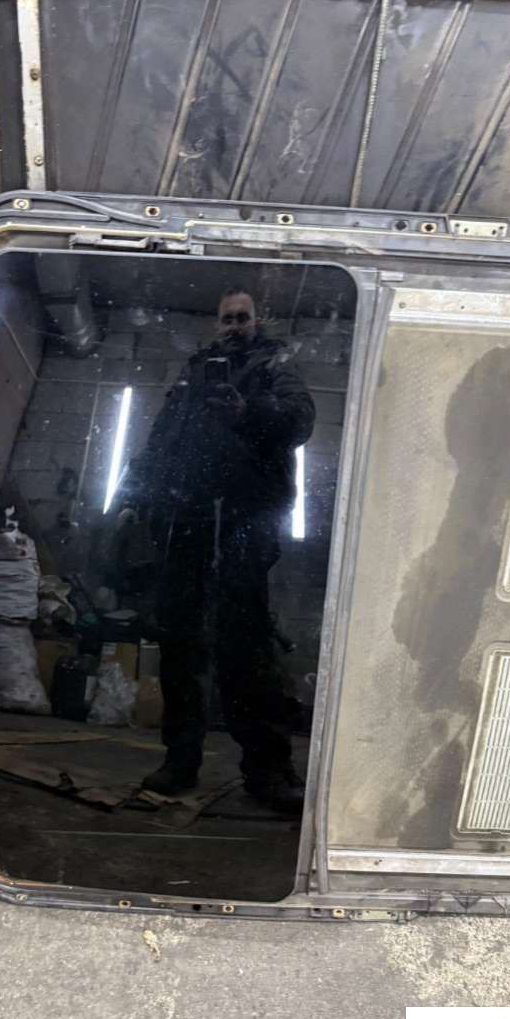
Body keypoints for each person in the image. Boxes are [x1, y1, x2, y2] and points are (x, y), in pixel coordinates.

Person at [113, 288, 315, 813]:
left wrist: (247, 411)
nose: (234, 325)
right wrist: (134, 495)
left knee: (245, 643)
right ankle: (180, 761)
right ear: (216, 324)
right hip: (188, 520)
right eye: (227, 318)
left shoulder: (275, 366)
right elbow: (161, 437)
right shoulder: (193, 373)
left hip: (246, 519)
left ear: (257, 320)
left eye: (243, 317)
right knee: (180, 640)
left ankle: (268, 771)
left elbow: (300, 421)